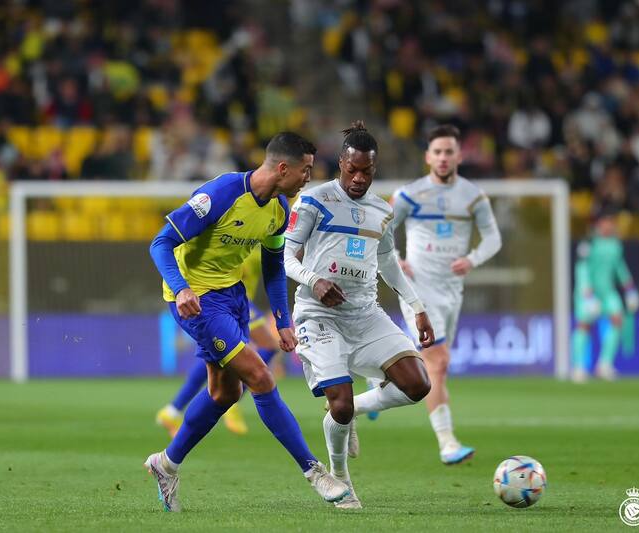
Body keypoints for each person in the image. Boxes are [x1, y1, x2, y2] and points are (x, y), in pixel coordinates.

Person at [145, 132, 349, 512]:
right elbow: (160, 242)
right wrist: (182, 287)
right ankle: (314, 470)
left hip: (233, 296)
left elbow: (273, 268)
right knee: (260, 377)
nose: (308, 178)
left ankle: (166, 464)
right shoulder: (221, 194)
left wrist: (282, 319)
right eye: (305, 170)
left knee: (225, 394)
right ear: (283, 167)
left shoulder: (279, 209)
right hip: (197, 300)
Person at [284, 122, 433, 509]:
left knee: (418, 385)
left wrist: (417, 308)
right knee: (341, 404)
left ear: (374, 169)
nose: (359, 178)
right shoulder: (314, 201)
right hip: (319, 314)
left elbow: (388, 262)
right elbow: (285, 256)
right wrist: (315, 281)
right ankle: (341, 478)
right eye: (352, 170)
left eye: (366, 171)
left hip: (365, 315)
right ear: (341, 165)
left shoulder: (382, 211)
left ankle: (352, 413)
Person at [382, 124, 502, 465]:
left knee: (436, 364)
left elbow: (493, 238)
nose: (444, 157)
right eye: (437, 152)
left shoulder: (473, 196)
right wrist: (396, 260)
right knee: (439, 361)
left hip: (452, 291)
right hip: (418, 288)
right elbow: (382, 230)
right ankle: (447, 443)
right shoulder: (410, 194)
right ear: (427, 157)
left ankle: (375, 393)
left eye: (449, 151)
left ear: (459, 156)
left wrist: (473, 258)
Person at [155, 245, 282, 437]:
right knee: (267, 345)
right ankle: (233, 402)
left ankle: (172, 410)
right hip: (227, 299)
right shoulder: (243, 235)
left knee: (218, 357)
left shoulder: (261, 236)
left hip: (234, 300)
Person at [571, 207, 639, 382]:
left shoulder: (615, 244)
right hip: (587, 292)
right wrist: (587, 294)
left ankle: (604, 365)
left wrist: (630, 289)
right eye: (605, 222)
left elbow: (619, 268)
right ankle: (578, 367)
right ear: (599, 224)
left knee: (618, 320)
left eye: (611, 222)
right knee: (584, 325)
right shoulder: (589, 242)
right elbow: (582, 268)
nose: (608, 225)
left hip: (607, 292)